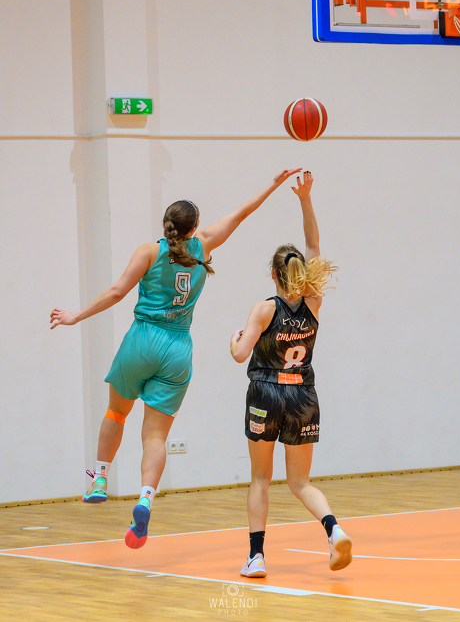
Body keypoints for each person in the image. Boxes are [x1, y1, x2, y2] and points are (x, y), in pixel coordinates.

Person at [50, 168, 300, 550]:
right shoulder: (203, 246)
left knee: (116, 413)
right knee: (155, 436)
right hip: (178, 349)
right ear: (194, 226)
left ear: (166, 223)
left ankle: (100, 477)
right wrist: (273, 184)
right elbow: (241, 214)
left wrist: (75, 316)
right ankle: (145, 499)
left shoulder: (149, 252)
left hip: (142, 340)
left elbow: (117, 292)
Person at [230, 171, 352, 577]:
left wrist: (233, 340)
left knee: (260, 479)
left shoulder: (265, 308)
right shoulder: (314, 301)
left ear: (273, 275)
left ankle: (256, 557)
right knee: (301, 483)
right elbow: (314, 245)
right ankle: (334, 531)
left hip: (266, 393)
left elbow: (240, 354)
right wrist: (305, 198)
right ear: (300, 273)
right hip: (303, 396)